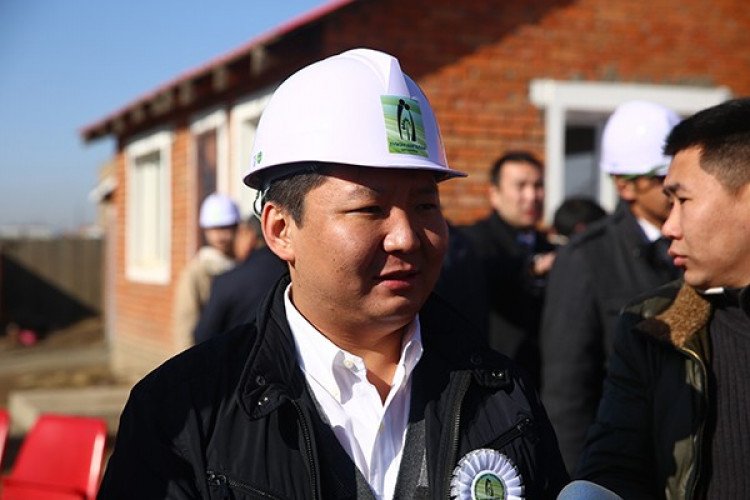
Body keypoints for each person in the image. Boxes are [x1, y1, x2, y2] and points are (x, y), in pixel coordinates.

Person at [99, 48, 568, 499]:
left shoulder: (503, 394)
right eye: (369, 209)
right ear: (281, 230)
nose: (406, 237)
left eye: (425, 205)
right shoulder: (183, 414)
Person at [576, 97, 750, 498]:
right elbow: (612, 467)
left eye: (683, 201)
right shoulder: (653, 327)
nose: (670, 226)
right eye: (668, 201)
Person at [539, 100, 682, 473]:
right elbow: (567, 390)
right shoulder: (587, 257)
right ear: (625, 184)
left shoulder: (697, 246)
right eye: (662, 177)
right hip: (624, 466)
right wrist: (577, 483)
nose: (674, 186)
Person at [461, 151, 556, 388]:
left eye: (538, 186)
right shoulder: (472, 243)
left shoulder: (552, 249)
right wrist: (532, 270)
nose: (532, 196)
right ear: (494, 194)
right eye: (521, 186)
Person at [193, 216, 286, 343]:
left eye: (238, 234)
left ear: (249, 235)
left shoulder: (227, 281)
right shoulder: (291, 274)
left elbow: (203, 335)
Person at [172, 192, 240, 350]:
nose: (220, 235)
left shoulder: (243, 267)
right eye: (214, 229)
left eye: (226, 228)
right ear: (205, 231)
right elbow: (185, 326)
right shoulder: (195, 273)